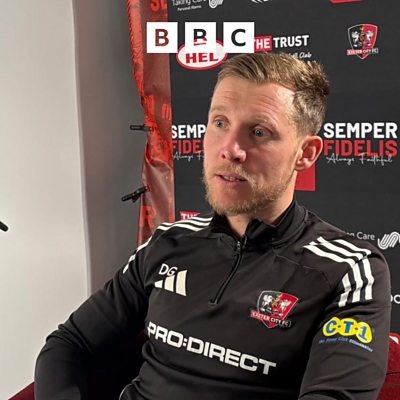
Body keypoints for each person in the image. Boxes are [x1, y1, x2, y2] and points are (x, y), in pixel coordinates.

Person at [35, 52, 391, 400]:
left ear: (306, 153)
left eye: (259, 132)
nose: (230, 149)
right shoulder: (168, 242)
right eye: (220, 123)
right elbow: (70, 344)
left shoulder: (348, 270)